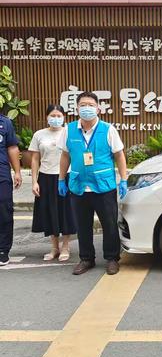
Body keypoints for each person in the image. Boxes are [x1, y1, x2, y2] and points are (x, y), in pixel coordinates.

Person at [58, 92, 128, 276]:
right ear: (77, 108)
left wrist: (124, 179)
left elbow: (119, 155)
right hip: (79, 186)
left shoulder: (108, 129)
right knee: (83, 225)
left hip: (103, 186)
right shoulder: (69, 130)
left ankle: (112, 258)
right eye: (82, 104)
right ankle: (86, 258)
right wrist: (61, 179)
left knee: (109, 224)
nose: (86, 108)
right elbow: (65, 155)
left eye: (90, 104)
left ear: (98, 108)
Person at [30, 105, 76, 261]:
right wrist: (34, 181)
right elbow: (35, 159)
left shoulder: (69, 132)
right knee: (50, 212)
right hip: (46, 178)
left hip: (66, 176)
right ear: (46, 117)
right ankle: (54, 247)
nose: (55, 118)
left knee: (65, 211)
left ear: (64, 117)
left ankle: (65, 247)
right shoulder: (39, 135)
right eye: (52, 115)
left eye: (58, 115)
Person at [0, 113, 22, 266]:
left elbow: (12, 147)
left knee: (4, 208)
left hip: (2, 174)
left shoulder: (5, 122)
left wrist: (18, 172)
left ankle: (3, 249)